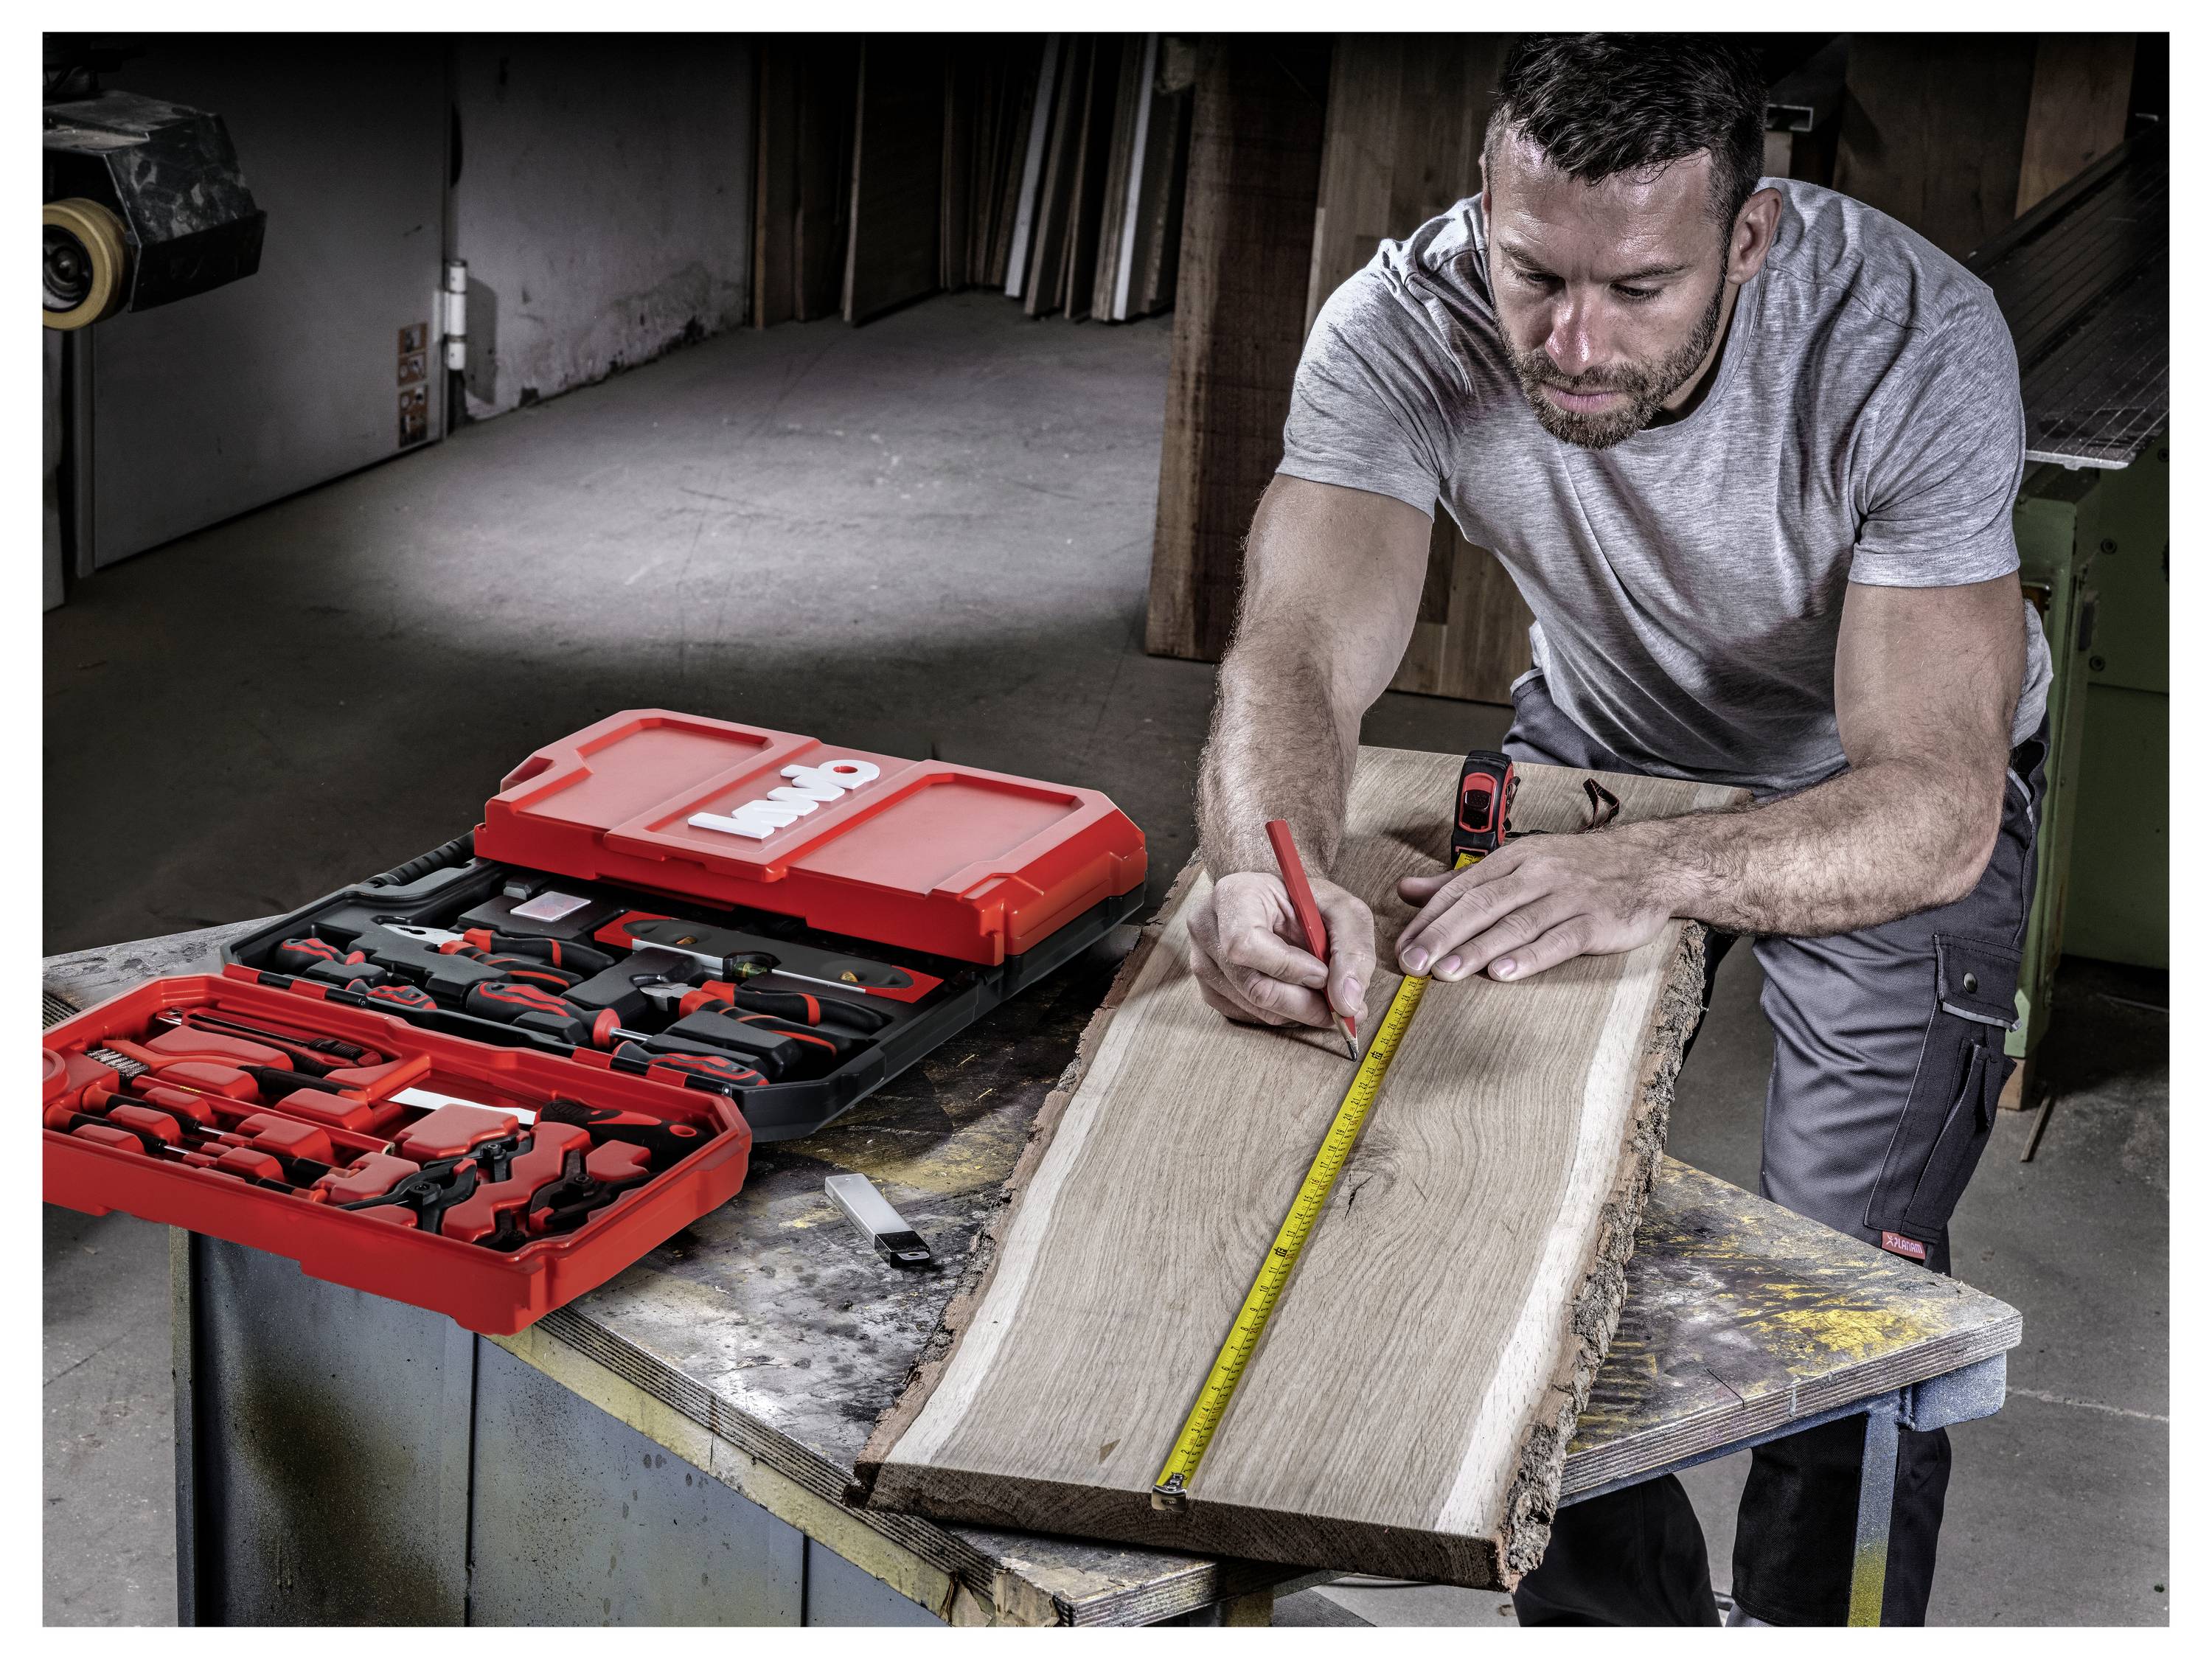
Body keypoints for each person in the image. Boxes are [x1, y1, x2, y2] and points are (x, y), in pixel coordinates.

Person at [1185, 32, 2048, 1627]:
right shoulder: (1404, 319)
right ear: (1488, 214)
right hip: (1602, 743)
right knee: (1500, 1212)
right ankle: (1615, 1627)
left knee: (1847, 1283)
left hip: (1876, 787)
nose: (1569, 344)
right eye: (1533, 276)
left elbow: (1934, 804)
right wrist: (1263, 871)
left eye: (1638, 290)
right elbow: (1294, 648)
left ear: (1751, 235)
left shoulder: (1912, 334)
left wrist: (1649, 871)